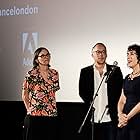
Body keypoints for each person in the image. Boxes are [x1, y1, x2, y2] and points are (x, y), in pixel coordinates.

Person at [79, 43, 123, 140]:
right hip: (92, 118)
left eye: (103, 52)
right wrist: (90, 103)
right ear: (92, 55)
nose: (101, 55)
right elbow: (82, 91)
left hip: (111, 118)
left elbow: (120, 92)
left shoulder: (115, 70)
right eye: (98, 52)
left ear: (106, 54)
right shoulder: (85, 72)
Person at [22, 47, 60, 140]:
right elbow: (24, 95)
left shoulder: (54, 73)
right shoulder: (31, 74)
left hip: (51, 114)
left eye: (47, 55)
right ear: (36, 59)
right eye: (42, 55)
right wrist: (29, 110)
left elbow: (52, 93)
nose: (46, 57)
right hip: (35, 115)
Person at [117, 44, 140, 140]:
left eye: (132, 54)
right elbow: (122, 100)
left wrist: (127, 118)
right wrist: (120, 114)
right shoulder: (127, 78)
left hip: (137, 120)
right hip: (125, 120)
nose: (128, 57)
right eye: (127, 54)